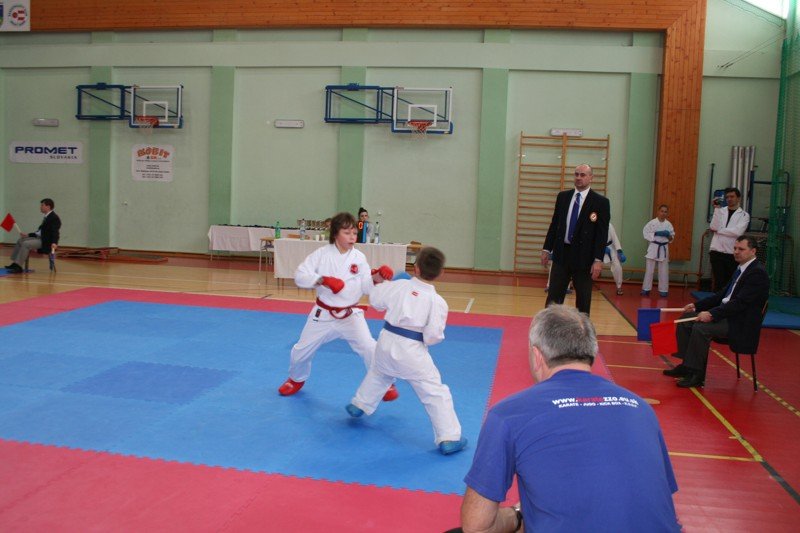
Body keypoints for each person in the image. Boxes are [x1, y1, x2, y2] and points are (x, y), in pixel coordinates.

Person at [460, 305, 680, 533]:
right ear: (592, 352)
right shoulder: (641, 408)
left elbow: (476, 528)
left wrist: (517, 515)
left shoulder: (509, 414)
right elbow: (661, 503)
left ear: (537, 356)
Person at [345, 247, 467, 455]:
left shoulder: (399, 285)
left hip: (386, 341)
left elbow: (375, 300)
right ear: (441, 273)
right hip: (411, 350)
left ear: (415, 268)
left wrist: (390, 284)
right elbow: (433, 336)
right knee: (434, 392)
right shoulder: (437, 302)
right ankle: (449, 437)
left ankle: (360, 404)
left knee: (379, 373)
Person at [277, 211, 398, 401]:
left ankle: (384, 383)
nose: (352, 237)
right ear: (335, 234)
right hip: (323, 314)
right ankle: (296, 379)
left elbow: (366, 287)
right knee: (300, 351)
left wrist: (377, 277)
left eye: (354, 233)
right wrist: (323, 280)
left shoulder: (359, 257)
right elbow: (300, 276)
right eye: (347, 233)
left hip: (350, 315)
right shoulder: (321, 254)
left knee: (369, 347)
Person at [663, 235, 769, 388]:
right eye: (735, 248)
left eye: (741, 249)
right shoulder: (741, 269)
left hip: (739, 322)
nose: (736, 252)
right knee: (686, 319)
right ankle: (687, 366)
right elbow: (721, 295)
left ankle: (697, 375)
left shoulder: (757, 273)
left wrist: (712, 314)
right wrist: (696, 306)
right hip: (729, 315)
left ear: (753, 251)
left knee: (701, 328)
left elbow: (740, 303)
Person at [541, 164, 610, 315]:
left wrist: (598, 260)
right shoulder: (563, 197)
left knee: (583, 301)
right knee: (553, 299)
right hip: (562, 254)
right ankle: (549, 327)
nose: (579, 178)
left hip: (584, 257)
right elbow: (554, 224)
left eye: (583, 175)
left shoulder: (600, 202)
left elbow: (602, 234)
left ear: (591, 178)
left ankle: (582, 328)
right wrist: (546, 248)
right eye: (576, 174)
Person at [5, 198, 61, 274]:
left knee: (26, 244)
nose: (40, 207)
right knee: (20, 240)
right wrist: (28, 235)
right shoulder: (47, 217)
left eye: (42, 205)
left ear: (48, 207)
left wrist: (54, 243)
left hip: (46, 242)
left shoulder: (54, 218)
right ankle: (15, 263)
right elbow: (40, 232)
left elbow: (55, 232)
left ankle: (18, 266)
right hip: (41, 238)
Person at [709, 187, 749, 292]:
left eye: (732, 196)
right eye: (727, 197)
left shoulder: (744, 215)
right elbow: (713, 227)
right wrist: (716, 208)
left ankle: (727, 301)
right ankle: (717, 302)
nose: (729, 199)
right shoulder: (720, 211)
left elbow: (737, 232)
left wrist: (719, 230)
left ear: (738, 198)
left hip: (732, 253)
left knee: (729, 282)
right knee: (718, 282)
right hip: (716, 251)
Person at [641, 205, 675, 297]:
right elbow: (645, 233)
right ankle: (646, 289)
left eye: (665, 212)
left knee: (664, 271)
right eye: (662, 211)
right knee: (649, 270)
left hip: (664, 247)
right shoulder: (652, 223)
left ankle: (663, 290)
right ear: (658, 212)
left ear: (667, 213)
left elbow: (671, 238)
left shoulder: (668, 225)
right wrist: (656, 233)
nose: (663, 213)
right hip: (654, 246)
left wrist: (668, 235)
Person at [604, 222, 627, 295]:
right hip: (596, 249)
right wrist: (600, 247)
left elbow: (615, 238)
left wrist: (620, 251)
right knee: (588, 265)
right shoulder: (592, 224)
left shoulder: (609, 225)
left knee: (618, 267)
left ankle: (619, 287)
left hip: (610, 248)